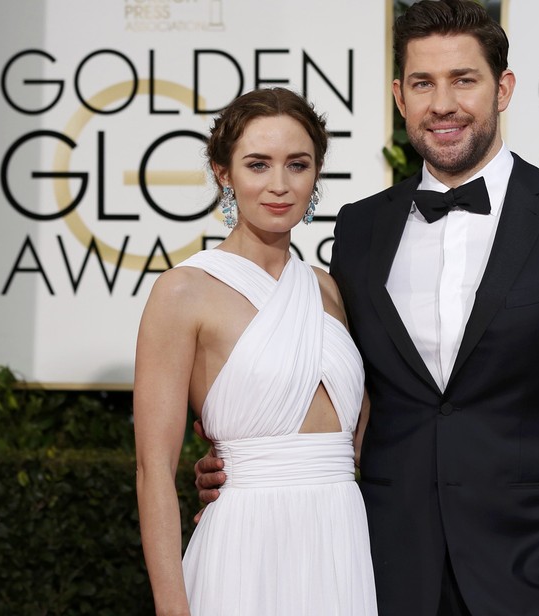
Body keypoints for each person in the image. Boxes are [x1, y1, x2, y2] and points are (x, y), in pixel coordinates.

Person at [195, 1, 539, 614]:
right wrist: (250, 462)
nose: (443, 103)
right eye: (423, 83)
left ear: (504, 89)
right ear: (399, 96)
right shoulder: (360, 230)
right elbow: (338, 389)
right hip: (385, 573)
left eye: (463, 80)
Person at [134, 87, 377, 616]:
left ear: (316, 174)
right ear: (224, 173)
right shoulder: (182, 291)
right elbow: (153, 468)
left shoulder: (328, 289)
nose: (279, 185)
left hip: (341, 537)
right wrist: (172, 607)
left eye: (297, 164)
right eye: (257, 164)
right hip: (244, 542)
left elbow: (361, 437)